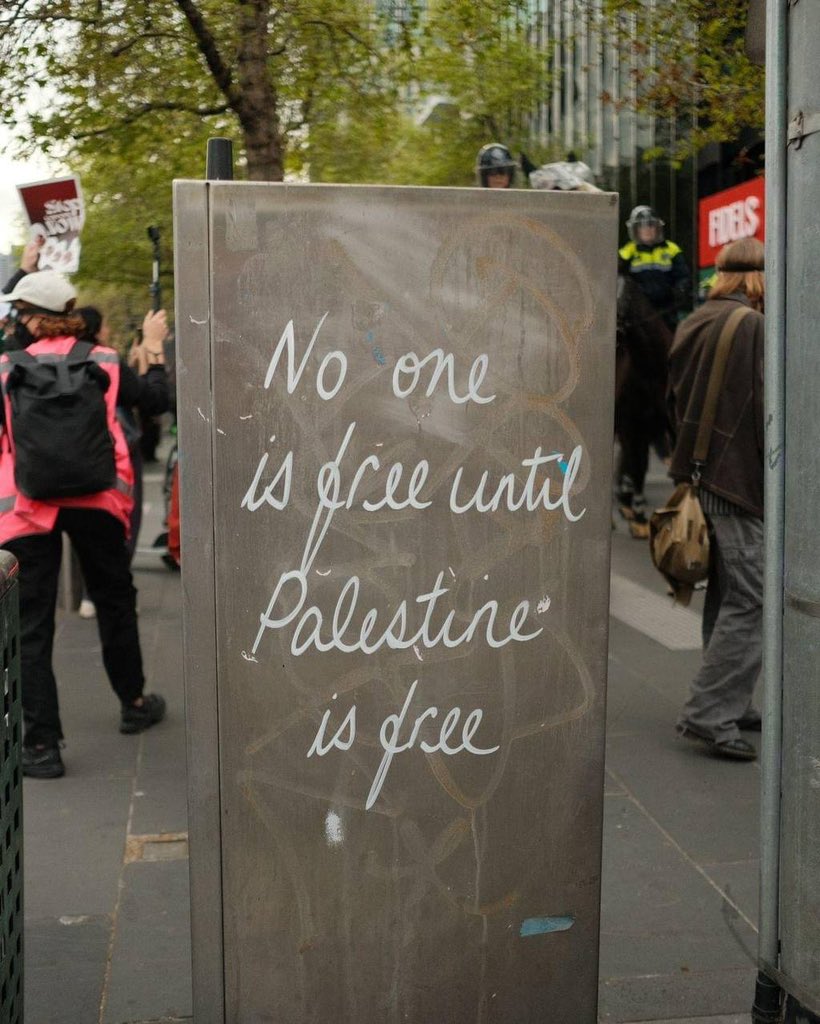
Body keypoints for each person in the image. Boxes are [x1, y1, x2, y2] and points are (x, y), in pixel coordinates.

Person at [0, 269, 165, 779]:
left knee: (30, 627)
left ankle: (42, 745)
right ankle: (134, 704)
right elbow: (158, 402)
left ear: (28, 317)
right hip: (99, 501)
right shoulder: (106, 360)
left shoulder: (5, 367)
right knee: (115, 602)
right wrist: (155, 349)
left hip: (27, 507)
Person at [667, 237, 765, 761]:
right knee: (753, 598)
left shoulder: (695, 319)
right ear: (757, 277)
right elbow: (766, 408)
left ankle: (733, 699)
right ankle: (708, 712)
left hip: (701, 477)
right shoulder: (750, 325)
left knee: (728, 594)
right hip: (736, 482)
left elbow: (671, 400)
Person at [618, 206, 691, 330]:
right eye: (642, 226)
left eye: (651, 225)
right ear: (635, 230)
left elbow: (683, 275)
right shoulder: (628, 251)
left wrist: (681, 288)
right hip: (637, 314)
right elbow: (614, 275)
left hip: (667, 310)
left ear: (657, 227)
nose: (647, 229)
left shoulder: (671, 249)